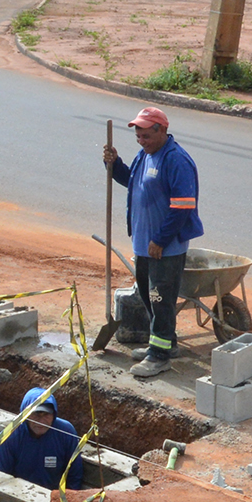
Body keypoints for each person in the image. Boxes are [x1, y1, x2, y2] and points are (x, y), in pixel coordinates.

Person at [101, 106, 202, 378]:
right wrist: (114, 164)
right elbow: (131, 181)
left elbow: (183, 207)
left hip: (164, 248)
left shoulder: (176, 160)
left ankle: (159, 356)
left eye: (146, 135)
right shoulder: (144, 156)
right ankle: (164, 344)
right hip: (145, 244)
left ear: (162, 131)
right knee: (148, 297)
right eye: (138, 136)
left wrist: (160, 240)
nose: (141, 140)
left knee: (161, 300)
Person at [0, 387, 86, 490]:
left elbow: (74, 475)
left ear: (54, 414)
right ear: (25, 415)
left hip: (54, 497)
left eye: (46, 415)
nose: (41, 421)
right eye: (36, 414)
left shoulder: (66, 432)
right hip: (18, 494)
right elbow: (0, 477)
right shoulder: (9, 437)